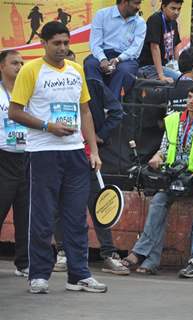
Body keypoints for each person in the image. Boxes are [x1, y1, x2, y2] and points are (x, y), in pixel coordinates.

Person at [8, 21, 107, 294]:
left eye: (66, 42)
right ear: (44, 42)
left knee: (76, 218)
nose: (63, 48)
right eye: (57, 43)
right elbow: (14, 112)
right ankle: (38, 275)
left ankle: (79, 276)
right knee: (41, 218)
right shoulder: (31, 70)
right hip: (42, 154)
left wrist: (93, 150)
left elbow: (85, 112)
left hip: (75, 154)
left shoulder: (76, 70)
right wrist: (48, 127)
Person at [121, 82, 193, 274]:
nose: (191, 101)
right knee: (158, 202)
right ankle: (149, 261)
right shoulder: (174, 119)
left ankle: (192, 261)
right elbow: (166, 147)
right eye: (190, 97)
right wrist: (158, 156)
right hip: (175, 177)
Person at [53, 50, 127, 276]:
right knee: (58, 205)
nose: (69, 70)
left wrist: (98, 137)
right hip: (55, 154)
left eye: (71, 64)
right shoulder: (48, 87)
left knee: (99, 204)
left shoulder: (92, 84)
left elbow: (116, 111)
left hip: (86, 156)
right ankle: (63, 252)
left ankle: (108, 253)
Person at [0, 50, 28, 278]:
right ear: (2, 67)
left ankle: (24, 263)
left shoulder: (29, 92)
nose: (19, 66)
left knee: (26, 214)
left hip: (27, 157)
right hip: (3, 158)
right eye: (14, 63)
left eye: (22, 62)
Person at [84, 0, 146, 100]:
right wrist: (102, 59)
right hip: (103, 54)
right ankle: (96, 106)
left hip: (126, 59)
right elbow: (95, 43)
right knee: (90, 64)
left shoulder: (140, 22)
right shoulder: (102, 15)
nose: (138, 7)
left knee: (124, 70)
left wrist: (118, 59)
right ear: (124, 2)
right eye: (136, 3)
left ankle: (112, 108)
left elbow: (135, 49)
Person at [138, 0, 183, 82]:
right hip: (149, 67)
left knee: (186, 78)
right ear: (163, 7)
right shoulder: (155, 20)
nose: (176, 12)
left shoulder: (173, 22)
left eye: (179, 9)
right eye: (173, 8)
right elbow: (154, 47)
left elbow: (176, 47)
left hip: (166, 66)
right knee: (183, 80)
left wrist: (179, 69)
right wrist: (161, 75)